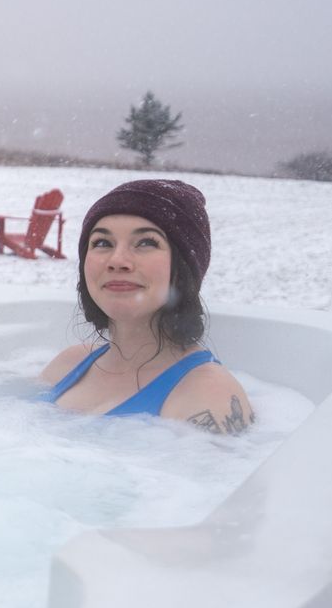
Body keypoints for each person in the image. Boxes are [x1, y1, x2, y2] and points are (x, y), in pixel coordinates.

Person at [37, 179, 253, 433]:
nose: (117, 261)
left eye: (146, 243)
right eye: (102, 243)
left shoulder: (206, 395)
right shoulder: (69, 364)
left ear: (183, 269)